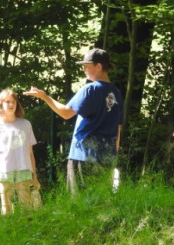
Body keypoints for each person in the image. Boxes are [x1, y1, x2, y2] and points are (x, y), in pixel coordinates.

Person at [25, 48, 123, 195]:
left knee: (80, 202)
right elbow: (118, 129)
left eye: (86, 66)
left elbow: (66, 113)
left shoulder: (90, 89)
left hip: (84, 156)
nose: (84, 70)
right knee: (102, 201)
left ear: (98, 66)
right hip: (107, 157)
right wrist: (113, 155)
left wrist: (45, 97)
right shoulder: (117, 93)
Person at [0, 89, 41, 215]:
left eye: (13, 102)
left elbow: (30, 153)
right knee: (6, 209)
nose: (11, 104)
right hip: (4, 171)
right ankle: (7, 228)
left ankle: (25, 227)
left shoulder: (26, 124)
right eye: (7, 102)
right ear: (1, 105)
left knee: (26, 208)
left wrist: (34, 176)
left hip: (24, 170)